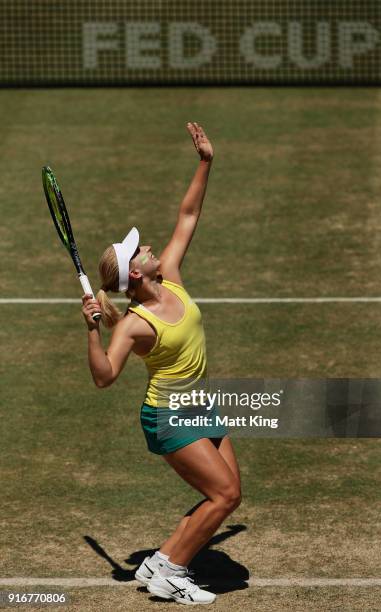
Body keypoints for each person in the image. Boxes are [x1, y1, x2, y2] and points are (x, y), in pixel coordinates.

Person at [81, 123, 241, 605]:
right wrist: (92, 328)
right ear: (135, 273)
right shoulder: (134, 323)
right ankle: (171, 571)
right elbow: (105, 378)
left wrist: (205, 161)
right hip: (170, 418)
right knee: (224, 497)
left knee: (230, 493)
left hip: (199, 403)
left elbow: (188, 214)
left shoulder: (169, 277)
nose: (149, 247)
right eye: (140, 251)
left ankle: (161, 558)